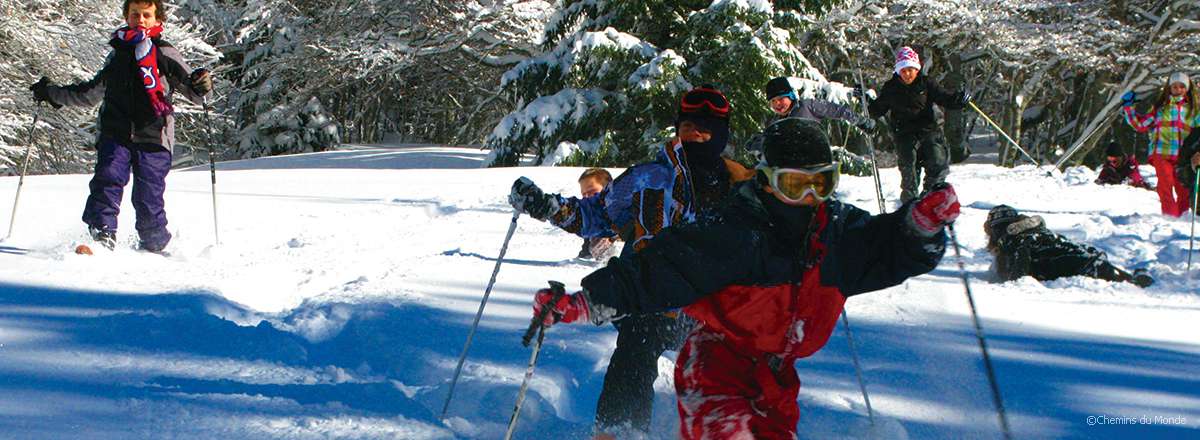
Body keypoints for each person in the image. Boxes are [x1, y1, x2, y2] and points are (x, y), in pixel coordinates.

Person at [530, 118, 956, 439]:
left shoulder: (837, 234)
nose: (809, 198)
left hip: (776, 378)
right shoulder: (735, 233)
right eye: (794, 184)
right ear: (768, 183)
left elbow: (887, 250)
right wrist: (582, 303)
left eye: (821, 183)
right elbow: (655, 271)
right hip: (715, 367)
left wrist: (918, 228)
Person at [508, 86, 755, 437]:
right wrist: (546, 206)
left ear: (722, 135)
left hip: (711, 307)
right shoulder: (648, 179)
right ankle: (619, 431)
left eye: (706, 130)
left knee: (727, 373)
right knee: (635, 349)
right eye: (688, 129)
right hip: (646, 298)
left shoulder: (742, 190)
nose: (696, 136)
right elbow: (594, 215)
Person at [29, 0, 212, 252]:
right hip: (115, 133)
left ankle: (155, 245)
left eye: (147, 14)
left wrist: (202, 85)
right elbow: (90, 93)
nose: (141, 19)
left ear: (158, 20)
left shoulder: (165, 53)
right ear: (126, 17)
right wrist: (51, 93)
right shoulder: (117, 55)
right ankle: (102, 238)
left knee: (149, 195)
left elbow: (195, 92)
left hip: (154, 137)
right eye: (135, 14)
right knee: (107, 181)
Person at [868, 46, 970, 202]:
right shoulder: (891, 88)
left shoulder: (926, 83)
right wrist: (866, 100)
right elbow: (877, 110)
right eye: (903, 70)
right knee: (909, 167)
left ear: (917, 69)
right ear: (898, 71)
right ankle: (909, 204)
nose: (907, 74)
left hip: (928, 130)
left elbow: (944, 97)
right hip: (904, 133)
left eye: (910, 69)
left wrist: (958, 99)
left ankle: (930, 197)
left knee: (937, 162)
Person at [984, 205, 1153, 288]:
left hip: (1081, 266)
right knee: (1127, 280)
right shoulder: (1031, 232)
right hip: (1085, 260)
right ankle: (1134, 279)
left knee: (1130, 283)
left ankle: (1135, 281)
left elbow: (1018, 278)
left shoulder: (1016, 241)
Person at [1121, 72, 1200, 217]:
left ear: (1187, 88)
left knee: (1183, 190)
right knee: (1165, 185)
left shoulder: (1193, 111)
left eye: (1182, 87)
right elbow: (1140, 125)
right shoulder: (1160, 109)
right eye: (1174, 87)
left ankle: (1182, 218)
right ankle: (1170, 218)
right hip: (1161, 152)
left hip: (1183, 156)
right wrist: (1129, 107)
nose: (1178, 90)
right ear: (1169, 89)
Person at [575, 168, 618, 260]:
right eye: (584, 194)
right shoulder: (591, 218)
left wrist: (614, 238)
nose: (587, 198)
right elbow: (583, 258)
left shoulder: (623, 211)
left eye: (592, 192)